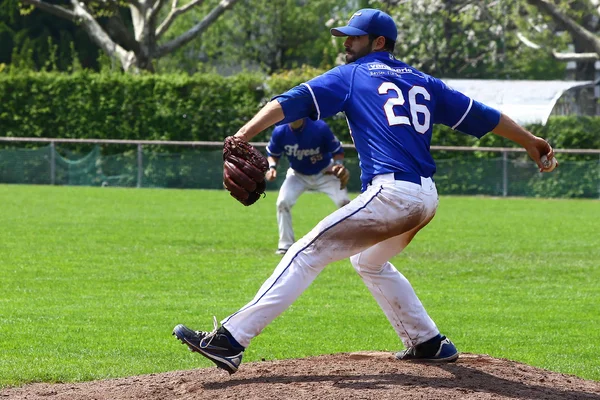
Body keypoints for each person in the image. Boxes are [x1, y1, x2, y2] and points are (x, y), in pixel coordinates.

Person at [173, 8, 556, 374]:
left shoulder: (354, 74)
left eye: (354, 37)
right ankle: (428, 342)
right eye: (345, 37)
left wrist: (242, 134)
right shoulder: (425, 82)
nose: (346, 43)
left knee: (306, 251)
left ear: (378, 42)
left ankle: (230, 341)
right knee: (368, 261)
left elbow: (292, 101)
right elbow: (483, 115)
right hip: (425, 198)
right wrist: (530, 140)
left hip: (392, 195)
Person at [265, 117, 351, 255]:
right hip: (298, 175)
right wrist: (272, 167)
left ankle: (354, 241)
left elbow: (337, 150)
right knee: (282, 202)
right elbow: (273, 153)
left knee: (345, 203)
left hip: (325, 172)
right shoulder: (280, 131)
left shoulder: (319, 127)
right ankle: (285, 245)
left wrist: (338, 165)